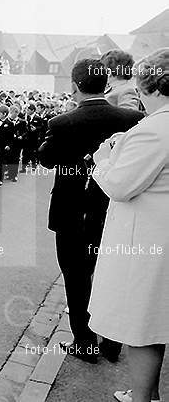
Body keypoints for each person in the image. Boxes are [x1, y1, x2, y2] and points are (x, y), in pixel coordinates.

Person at [38, 59, 144, 364]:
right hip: (115, 209)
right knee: (114, 276)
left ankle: (84, 343)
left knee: (75, 276)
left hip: (71, 211)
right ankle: (111, 343)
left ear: (74, 87)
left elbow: (46, 159)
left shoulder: (62, 123)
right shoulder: (133, 119)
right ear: (106, 84)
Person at [88, 48, 168, 402]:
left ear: (149, 88)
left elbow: (119, 186)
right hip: (157, 235)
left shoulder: (154, 129)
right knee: (154, 322)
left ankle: (141, 400)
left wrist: (103, 159)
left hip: (147, 241)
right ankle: (143, 393)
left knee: (141, 327)